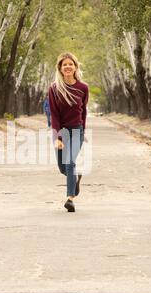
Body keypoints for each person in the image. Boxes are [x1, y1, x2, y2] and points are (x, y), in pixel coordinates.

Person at [48, 52, 89, 213]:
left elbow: (83, 111)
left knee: (70, 162)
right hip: (60, 131)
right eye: (64, 64)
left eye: (70, 64)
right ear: (60, 68)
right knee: (62, 167)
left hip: (76, 130)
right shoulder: (54, 88)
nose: (67, 67)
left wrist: (83, 131)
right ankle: (76, 178)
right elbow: (54, 114)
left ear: (75, 67)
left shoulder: (83, 87)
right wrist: (58, 136)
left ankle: (70, 199)